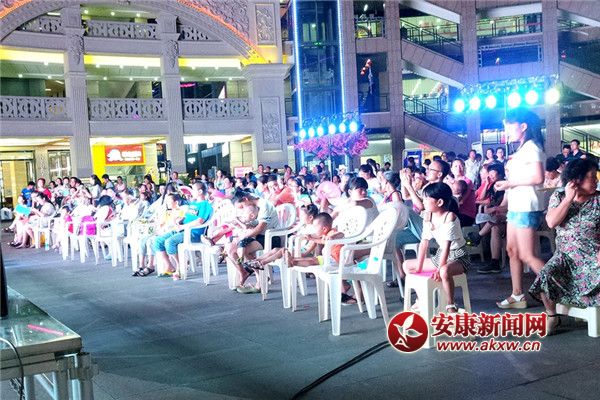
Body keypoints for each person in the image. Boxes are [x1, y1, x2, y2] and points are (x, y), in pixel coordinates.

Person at [529, 158, 600, 335]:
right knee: (546, 275)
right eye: (592, 177)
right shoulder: (559, 196)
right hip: (566, 257)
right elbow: (552, 222)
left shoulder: (598, 200)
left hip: (593, 256)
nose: (596, 180)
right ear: (576, 179)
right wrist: (568, 199)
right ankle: (552, 316)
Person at [494, 108, 546, 309]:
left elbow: (538, 177)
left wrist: (509, 183)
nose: (507, 130)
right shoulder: (523, 149)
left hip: (527, 206)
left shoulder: (532, 147)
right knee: (512, 250)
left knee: (527, 255)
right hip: (517, 206)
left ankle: (561, 289)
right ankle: (517, 295)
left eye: (510, 126)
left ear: (523, 126)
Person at [403, 183, 470, 314]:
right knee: (407, 265)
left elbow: (446, 247)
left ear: (439, 202)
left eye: (427, 199)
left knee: (444, 271)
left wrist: (439, 269)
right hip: (440, 256)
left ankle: (450, 305)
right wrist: (419, 267)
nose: (423, 201)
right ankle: (422, 300)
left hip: (458, 256)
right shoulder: (428, 216)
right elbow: (424, 243)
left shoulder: (450, 217)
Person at [151, 182, 213, 280]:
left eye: (193, 190)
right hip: (182, 230)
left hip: (192, 233)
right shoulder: (193, 204)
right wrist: (179, 220)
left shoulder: (205, 205)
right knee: (157, 241)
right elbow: (186, 217)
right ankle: (169, 266)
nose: (191, 192)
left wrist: (183, 227)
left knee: (169, 242)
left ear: (200, 192)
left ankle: (180, 267)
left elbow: (199, 221)